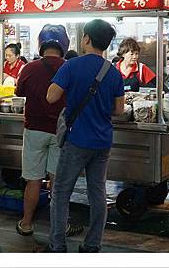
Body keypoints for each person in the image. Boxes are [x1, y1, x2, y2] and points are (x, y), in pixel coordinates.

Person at [46, 19, 125, 253]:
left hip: (77, 139)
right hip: (103, 142)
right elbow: (119, 110)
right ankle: (92, 245)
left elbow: (51, 96)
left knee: (60, 192)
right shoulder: (113, 72)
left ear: (87, 39)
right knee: (97, 192)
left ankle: (57, 245)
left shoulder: (71, 66)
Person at [15, 24, 83, 238]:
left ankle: (26, 223)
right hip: (61, 132)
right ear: (64, 44)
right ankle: (60, 227)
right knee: (57, 181)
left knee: (33, 180)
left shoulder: (29, 68)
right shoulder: (71, 68)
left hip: (34, 130)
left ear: (40, 43)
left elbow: (19, 91)